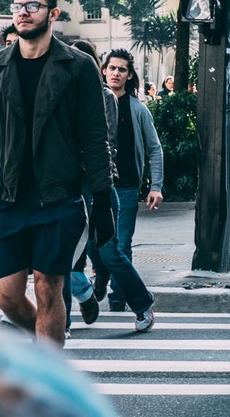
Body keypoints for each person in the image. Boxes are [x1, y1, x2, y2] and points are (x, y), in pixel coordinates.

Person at [0, 0, 114, 346]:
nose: (23, 12)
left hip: (59, 198)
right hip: (10, 199)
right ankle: (45, 349)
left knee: (49, 288)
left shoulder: (78, 67)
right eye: (18, 6)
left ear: (53, 13)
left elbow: (95, 138)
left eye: (32, 6)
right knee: (7, 294)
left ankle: (48, 380)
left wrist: (102, 200)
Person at [71, 41, 156, 333]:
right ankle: (66, 317)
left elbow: (102, 142)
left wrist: (155, 185)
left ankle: (141, 302)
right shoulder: (62, 93)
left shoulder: (104, 96)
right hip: (69, 187)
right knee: (66, 253)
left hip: (102, 186)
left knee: (111, 251)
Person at [98, 49, 163, 313]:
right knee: (97, 246)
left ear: (129, 75)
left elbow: (154, 148)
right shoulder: (94, 103)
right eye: (112, 68)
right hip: (97, 187)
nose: (116, 73)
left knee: (121, 244)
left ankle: (117, 299)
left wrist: (156, 185)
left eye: (121, 69)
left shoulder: (137, 108)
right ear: (104, 70)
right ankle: (101, 277)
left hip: (125, 186)